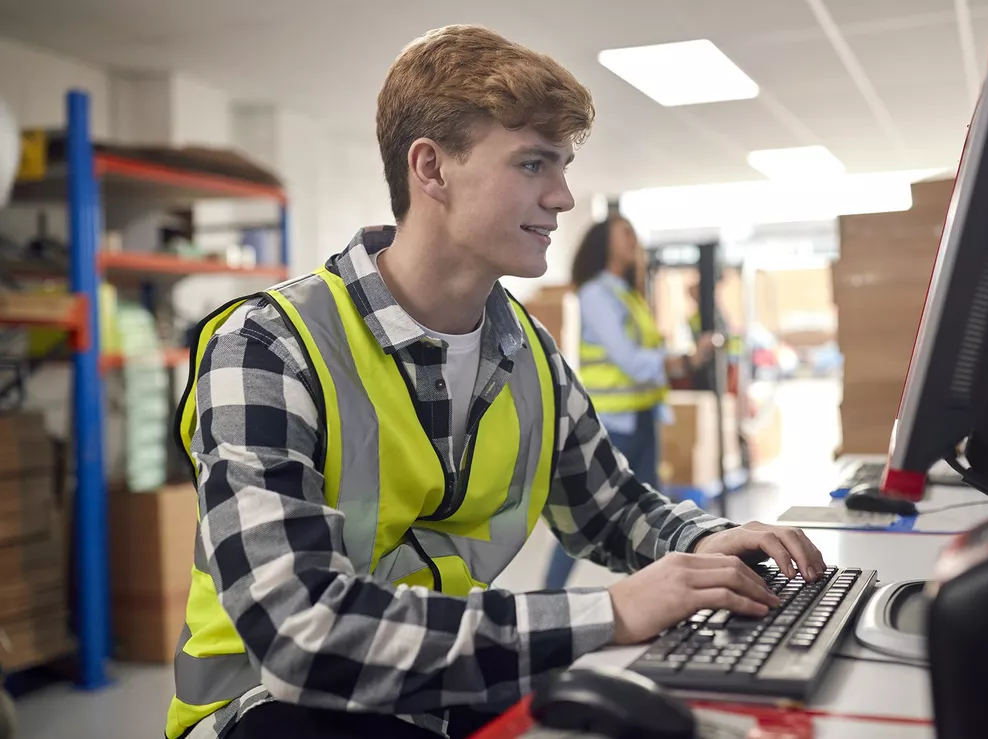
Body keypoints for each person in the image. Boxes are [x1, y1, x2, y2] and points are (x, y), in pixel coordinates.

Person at [164, 25, 825, 739]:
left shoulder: (525, 350)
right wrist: (613, 610)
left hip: (440, 678)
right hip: (273, 704)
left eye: (563, 165)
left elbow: (609, 507)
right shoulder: (267, 345)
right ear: (432, 169)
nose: (565, 197)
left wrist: (709, 544)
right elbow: (302, 633)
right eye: (534, 164)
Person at [542, 216, 716, 589]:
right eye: (626, 233)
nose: (634, 240)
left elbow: (648, 353)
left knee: (652, 518)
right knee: (586, 515)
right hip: (614, 423)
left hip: (642, 417)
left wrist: (683, 358)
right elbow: (631, 360)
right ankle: (550, 592)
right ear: (604, 241)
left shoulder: (627, 294)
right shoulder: (596, 295)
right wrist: (681, 361)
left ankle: (660, 593)